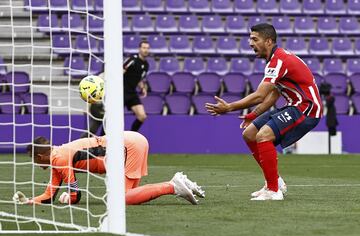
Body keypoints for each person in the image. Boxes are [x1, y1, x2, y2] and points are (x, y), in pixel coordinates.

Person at [205, 23, 323, 201]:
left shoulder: (279, 60)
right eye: (250, 39)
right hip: (294, 104)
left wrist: (229, 107)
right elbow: (274, 94)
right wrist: (253, 115)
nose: (250, 43)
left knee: (264, 135)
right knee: (250, 133)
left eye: (254, 39)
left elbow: (260, 95)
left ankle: (274, 191)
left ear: (268, 41)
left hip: (307, 108)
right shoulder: (276, 60)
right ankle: (274, 181)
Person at [13, 131, 205, 205]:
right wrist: (30, 201)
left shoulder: (58, 158)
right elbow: (49, 196)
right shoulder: (58, 155)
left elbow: (75, 195)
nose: (36, 165)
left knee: (121, 199)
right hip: (130, 141)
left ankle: (173, 186)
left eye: (34, 160)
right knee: (129, 196)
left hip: (127, 145)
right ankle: (181, 182)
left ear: (39, 157)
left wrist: (68, 199)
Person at [123, 41, 150, 132]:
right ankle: (103, 140)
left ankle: (132, 137)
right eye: (144, 48)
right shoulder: (132, 59)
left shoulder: (146, 65)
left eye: (147, 48)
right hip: (122, 91)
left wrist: (142, 88)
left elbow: (139, 78)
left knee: (142, 116)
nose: (146, 50)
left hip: (132, 92)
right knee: (113, 117)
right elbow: (121, 70)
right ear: (139, 49)